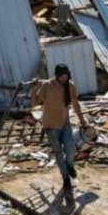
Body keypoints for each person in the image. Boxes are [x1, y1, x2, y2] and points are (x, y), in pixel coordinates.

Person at [31, 64, 87, 193]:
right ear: (57, 76)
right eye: (62, 77)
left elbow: (75, 104)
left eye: (66, 76)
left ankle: (70, 165)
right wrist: (34, 89)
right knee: (58, 153)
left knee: (71, 149)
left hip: (65, 123)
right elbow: (35, 103)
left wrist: (82, 121)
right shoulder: (47, 85)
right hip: (50, 125)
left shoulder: (70, 85)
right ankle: (65, 177)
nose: (64, 79)